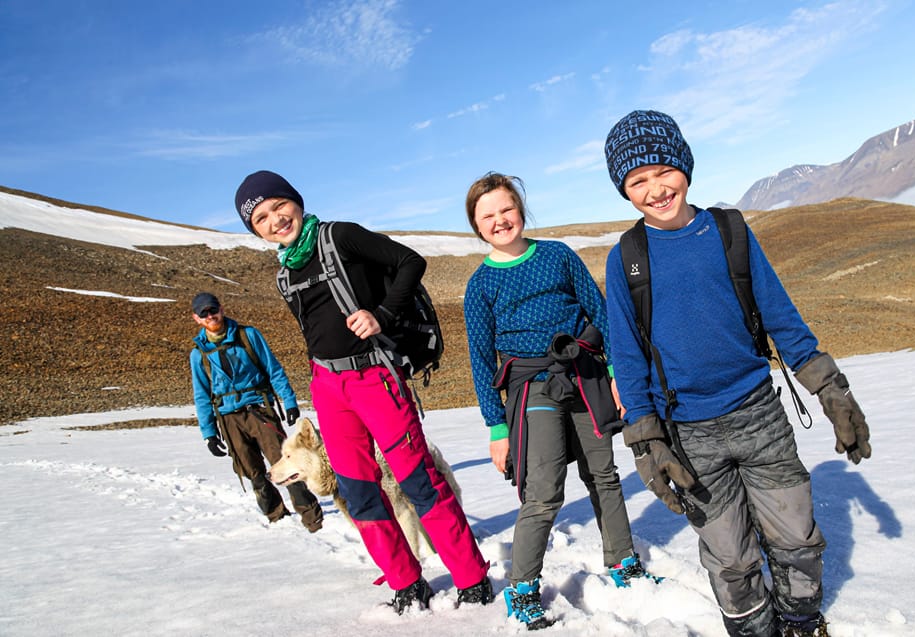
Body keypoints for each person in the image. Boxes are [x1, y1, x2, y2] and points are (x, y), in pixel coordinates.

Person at [601, 110, 873, 637]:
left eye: (663, 171)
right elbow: (629, 359)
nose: (656, 188)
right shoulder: (626, 260)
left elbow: (781, 316)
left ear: (684, 165)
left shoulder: (728, 231)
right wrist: (645, 442)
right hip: (687, 436)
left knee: (796, 534)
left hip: (759, 415)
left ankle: (800, 620)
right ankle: (752, 630)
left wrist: (831, 389)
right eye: (637, 181)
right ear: (625, 190)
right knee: (729, 556)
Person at [233, 170, 491, 614]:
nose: (276, 220)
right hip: (328, 388)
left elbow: (410, 261)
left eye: (279, 207)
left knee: (418, 480)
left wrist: (383, 315)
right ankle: (406, 583)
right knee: (357, 490)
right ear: (256, 230)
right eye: (261, 218)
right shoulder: (284, 276)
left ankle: (472, 579)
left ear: (295, 200)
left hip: (375, 377)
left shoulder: (341, 237)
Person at [462, 172, 660, 630]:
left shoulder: (556, 255)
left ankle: (624, 562)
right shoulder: (480, 286)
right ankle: (523, 586)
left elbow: (599, 310)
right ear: (476, 224)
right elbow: (478, 359)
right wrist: (497, 428)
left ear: (521, 210)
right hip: (532, 387)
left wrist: (615, 372)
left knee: (604, 475)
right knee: (544, 490)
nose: (500, 220)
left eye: (506, 209)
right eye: (487, 215)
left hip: (586, 375)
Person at [188, 291, 324, 533]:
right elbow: (202, 396)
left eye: (213, 310)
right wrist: (209, 433)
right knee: (253, 472)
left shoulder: (248, 335)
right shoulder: (198, 355)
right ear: (196, 319)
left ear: (221, 308)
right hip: (229, 419)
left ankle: (312, 519)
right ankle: (276, 517)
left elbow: (274, 369)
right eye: (204, 313)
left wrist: (290, 402)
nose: (210, 316)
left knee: (285, 464)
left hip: (260, 409)